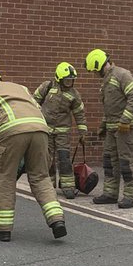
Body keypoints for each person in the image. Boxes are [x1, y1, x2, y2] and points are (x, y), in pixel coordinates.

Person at [0, 65, 66, 242]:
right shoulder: (20, 88)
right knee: (40, 177)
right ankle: (57, 219)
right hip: (41, 130)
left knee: (5, 176)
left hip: (12, 131)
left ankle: (2, 229)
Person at [84, 48, 133, 209]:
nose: (94, 75)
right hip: (113, 127)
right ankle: (110, 193)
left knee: (126, 162)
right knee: (109, 161)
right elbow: (110, 106)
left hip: (128, 128)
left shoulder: (122, 75)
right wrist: (103, 125)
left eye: (94, 71)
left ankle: (130, 196)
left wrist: (125, 121)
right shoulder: (106, 81)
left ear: (99, 65)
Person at [33, 62, 88, 199]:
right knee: (47, 159)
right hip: (46, 130)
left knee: (64, 159)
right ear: (59, 78)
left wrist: (83, 132)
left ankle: (68, 186)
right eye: (67, 80)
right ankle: (48, 186)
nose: (69, 82)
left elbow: (79, 114)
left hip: (62, 133)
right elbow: (33, 102)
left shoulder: (74, 95)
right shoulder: (47, 87)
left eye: (71, 80)